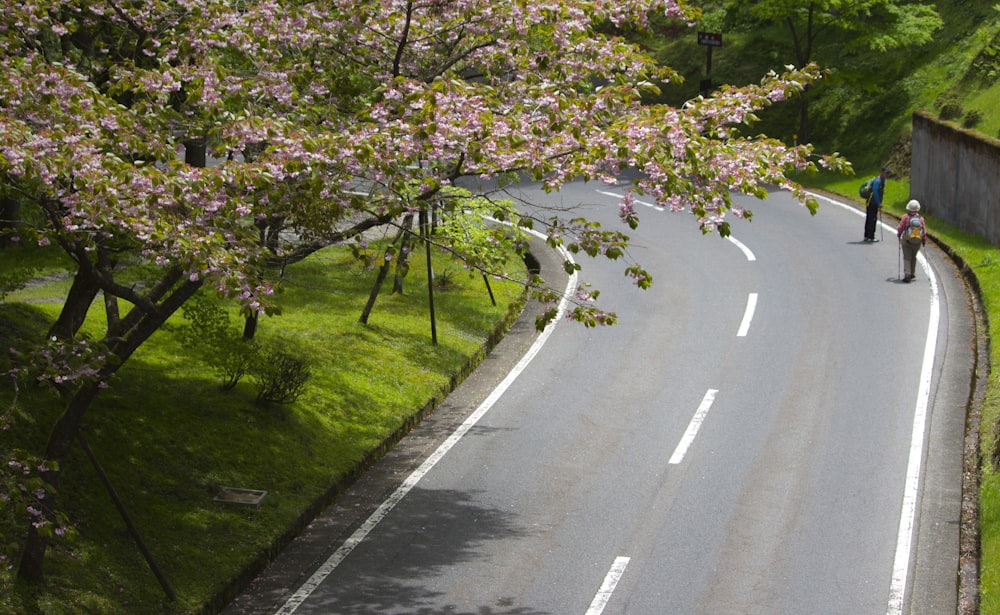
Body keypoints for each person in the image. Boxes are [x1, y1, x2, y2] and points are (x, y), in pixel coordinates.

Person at [897, 199, 927, 282]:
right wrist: (924, 240)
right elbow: (924, 231)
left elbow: (901, 227)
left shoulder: (906, 217)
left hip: (907, 240)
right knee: (914, 256)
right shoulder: (921, 219)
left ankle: (907, 274)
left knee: (907, 257)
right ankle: (912, 273)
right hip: (917, 241)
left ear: (909, 208)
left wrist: (899, 234)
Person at [864, 166, 890, 242]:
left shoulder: (882, 181)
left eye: (887, 173)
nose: (887, 175)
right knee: (872, 219)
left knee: (870, 218)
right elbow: (875, 192)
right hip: (872, 203)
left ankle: (867, 235)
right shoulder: (878, 181)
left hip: (871, 202)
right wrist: (879, 203)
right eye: (885, 173)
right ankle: (871, 236)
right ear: (881, 173)